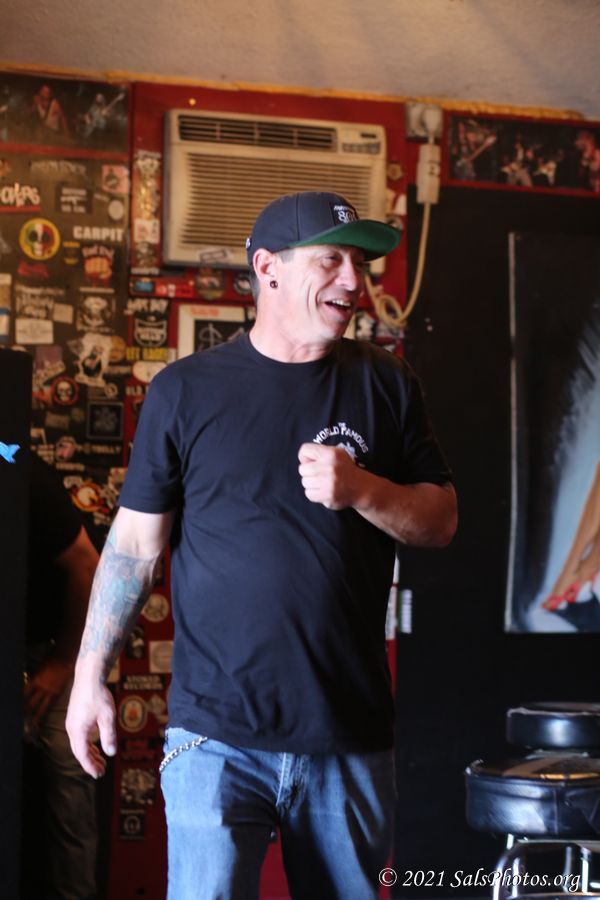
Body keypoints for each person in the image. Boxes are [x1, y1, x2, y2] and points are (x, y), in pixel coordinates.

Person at [66, 191, 457, 900]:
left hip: (347, 733)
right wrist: (90, 675)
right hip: (216, 735)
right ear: (268, 268)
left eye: (359, 264)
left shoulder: (386, 383)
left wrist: (363, 489)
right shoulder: (185, 392)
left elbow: (441, 520)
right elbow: (135, 547)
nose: (354, 281)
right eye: (332, 260)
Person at [24, 450, 100, 899]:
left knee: (66, 769)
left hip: (51, 648)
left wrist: (60, 663)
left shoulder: (23, 473)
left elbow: (86, 565)